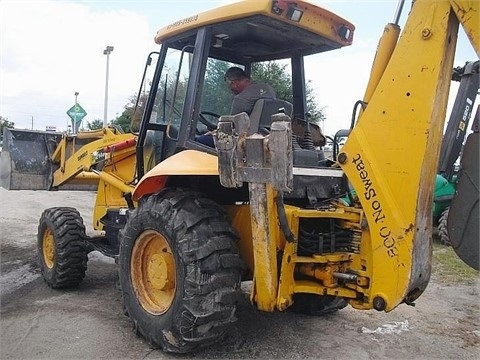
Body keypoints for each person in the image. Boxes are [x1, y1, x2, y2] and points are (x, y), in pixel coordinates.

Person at [197, 67, 276, 147]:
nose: (230, 89)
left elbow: (229, 127)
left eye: (229, 85)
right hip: (265, 139)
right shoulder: (267, 89)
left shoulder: (241, 98)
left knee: (201, 140)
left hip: (243, 143)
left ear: (233, 83)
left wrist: (214, 132)